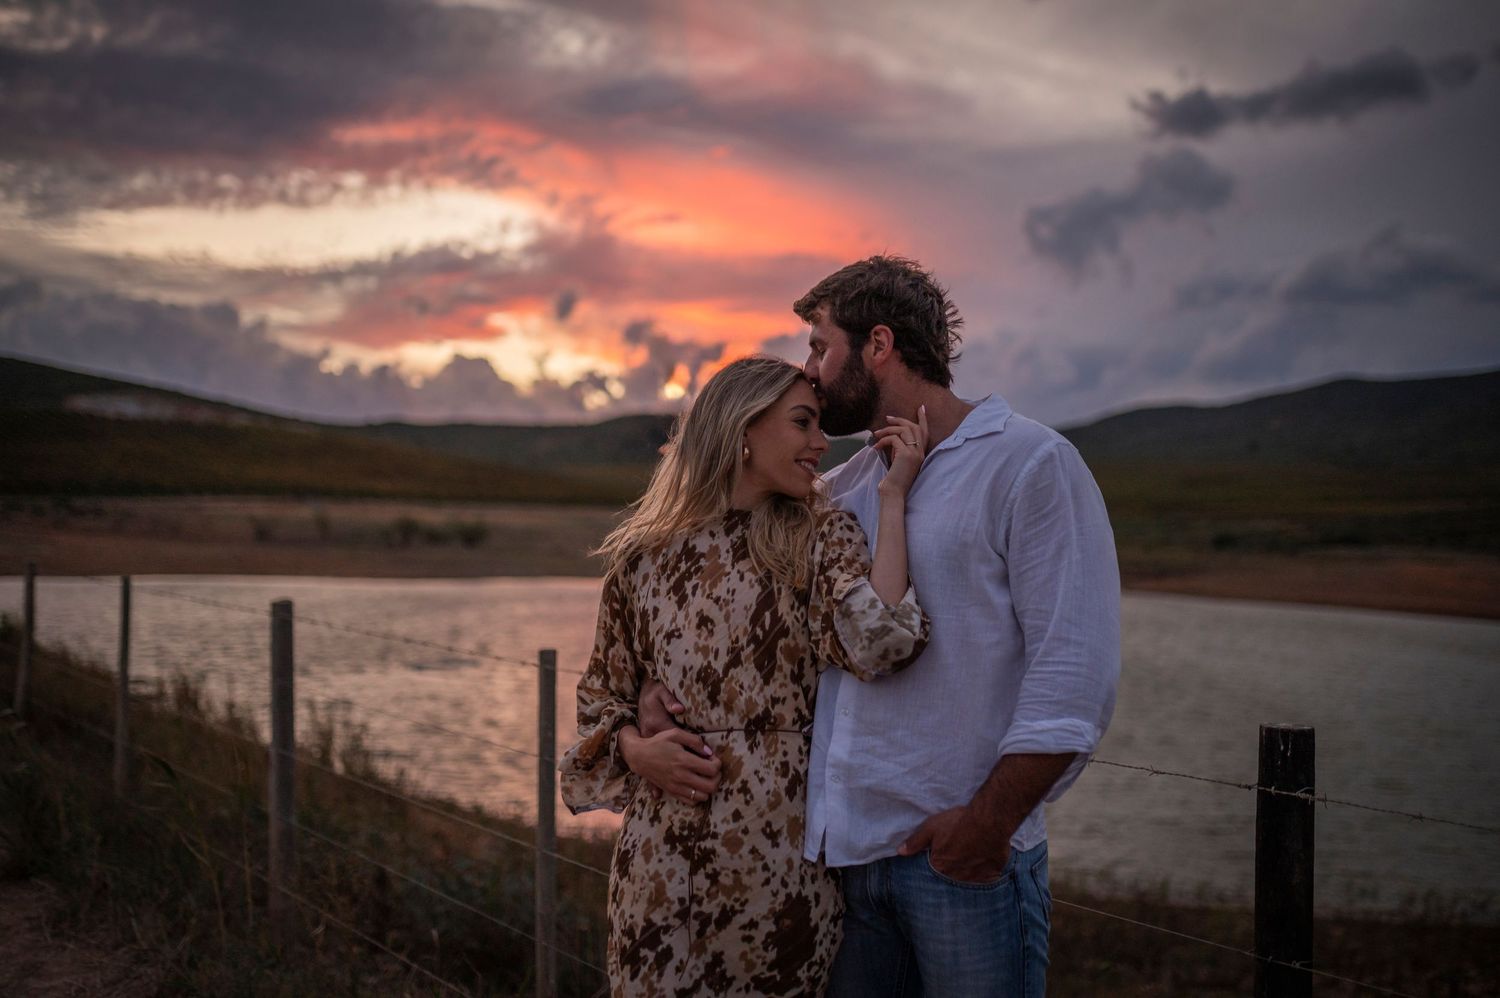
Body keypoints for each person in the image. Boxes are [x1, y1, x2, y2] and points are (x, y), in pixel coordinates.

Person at [641, 256, 1121, 996]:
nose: (809, 369)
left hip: (961, 869)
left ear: (880, 346)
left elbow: (1073, 676)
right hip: (843, 869)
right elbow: (739, 621)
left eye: (820, 346)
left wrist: (983, 831)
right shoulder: (839, 487)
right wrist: (656, 695)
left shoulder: (1029, 464)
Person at [558, 355, 933, 997]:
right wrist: (638, 752)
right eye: (802, 423)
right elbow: (600, 701)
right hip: (659, 872)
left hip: (779, 876)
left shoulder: (819, 535)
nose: (821, 444)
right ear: (742, 431)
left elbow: (882, 643)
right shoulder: (642, 558)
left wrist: (892, 497)